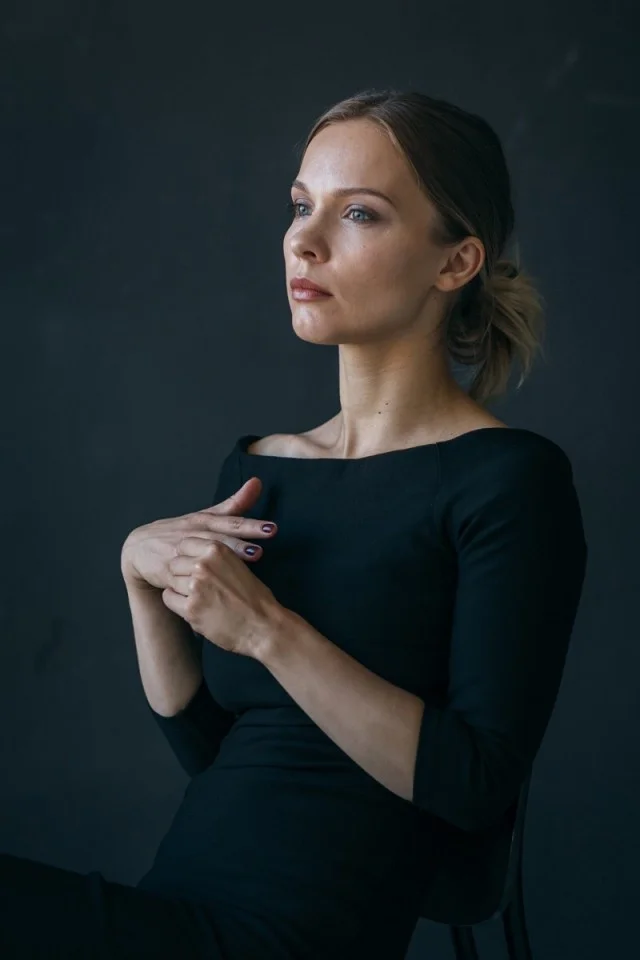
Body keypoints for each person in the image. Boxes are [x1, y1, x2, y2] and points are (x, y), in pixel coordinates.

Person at [0, 88, 588, 960]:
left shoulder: (508, 480)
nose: (303, 241)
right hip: (176, 915)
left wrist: (268, 632)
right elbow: (217, 756)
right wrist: (139, 579)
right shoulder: (262, 469)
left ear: (456, 261)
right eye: (301, 205)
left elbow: (475, 784)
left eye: (359, 213)